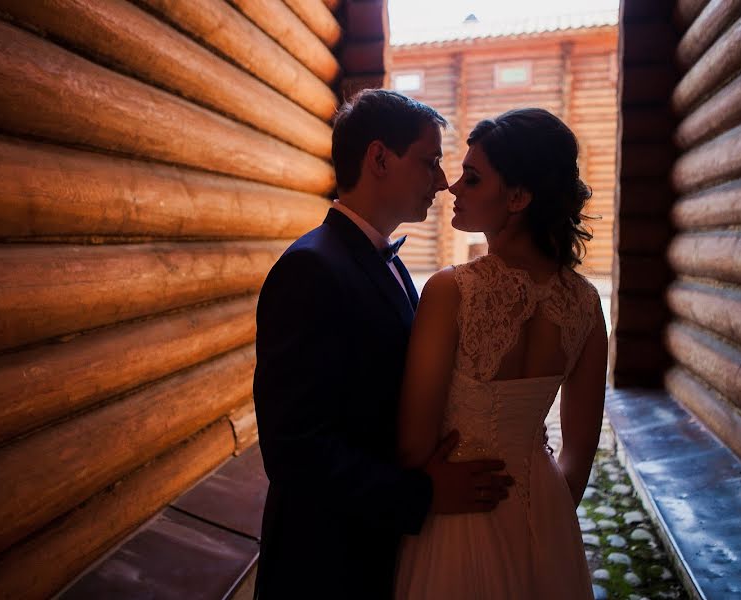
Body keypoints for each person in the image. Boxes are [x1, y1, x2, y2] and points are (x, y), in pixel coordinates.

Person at [252, 90, 512, 599]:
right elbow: (294, 451)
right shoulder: (310, 269)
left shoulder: (386, 262)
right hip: (325, 565)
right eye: (430, 161)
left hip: (375, 549)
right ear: (378, 159)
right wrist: (423, 493)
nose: (442, 180)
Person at [394, 108, 608, 600]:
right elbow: (580, 446)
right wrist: (548, 513)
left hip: (456, 518)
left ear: (517, 197)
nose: (454, 188)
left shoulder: (452, 291)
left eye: (472, 178)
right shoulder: (584, 303)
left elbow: (412, 445)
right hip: (545, 511)